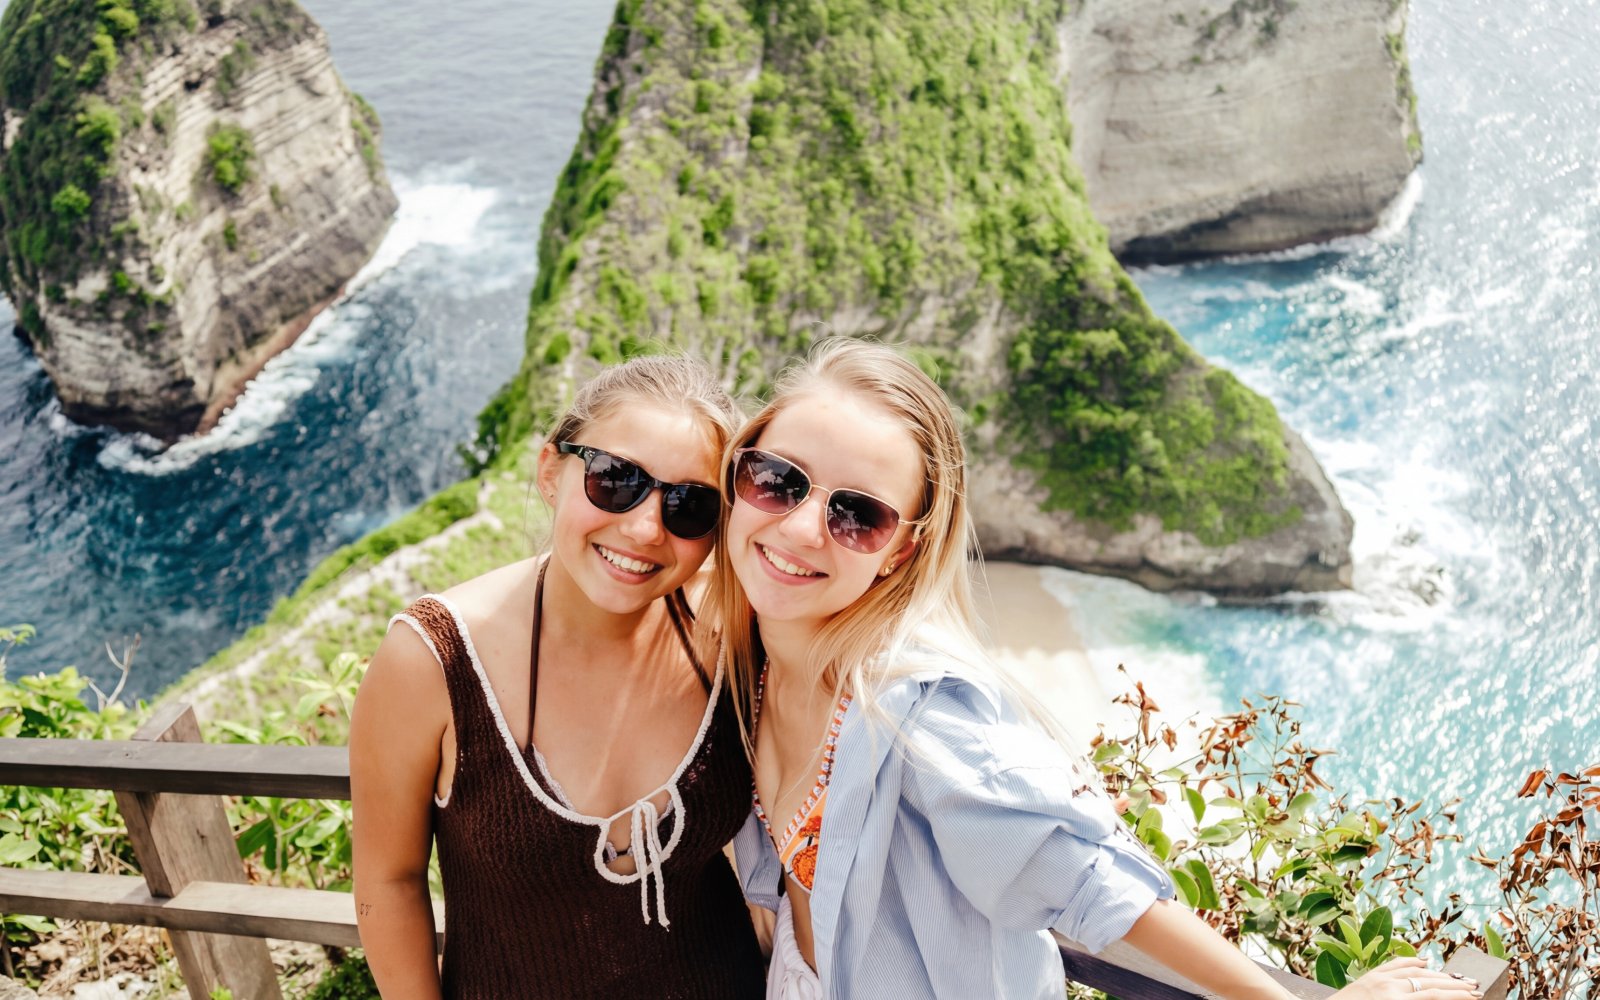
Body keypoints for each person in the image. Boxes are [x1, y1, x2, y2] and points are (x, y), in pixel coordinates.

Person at [707, 338, 1485, 1000]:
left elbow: (1087, 880)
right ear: (737, 475)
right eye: (776, 480)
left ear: (902, 549)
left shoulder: (919, 714)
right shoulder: (746, 669)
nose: (803, 527)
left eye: (858, 515)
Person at [350, 354, 766, 998]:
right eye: (615, 479)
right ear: (552, 471)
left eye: (690, 505)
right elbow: (388, 880)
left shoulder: (731, 638)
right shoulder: (434, 660)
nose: (645, 527)